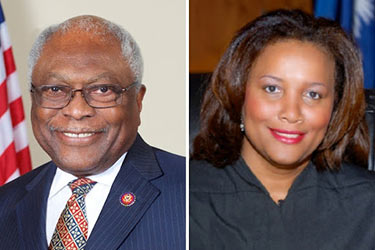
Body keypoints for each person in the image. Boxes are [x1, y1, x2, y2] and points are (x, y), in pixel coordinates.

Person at [190, 9, 375, 250]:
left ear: (335, 108)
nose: (291, 113)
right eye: (272, 89)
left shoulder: (367, 204)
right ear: (238, 93)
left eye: (313, 94)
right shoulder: (180, 198)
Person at [0, 15, 185, 250]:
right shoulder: (5, 203)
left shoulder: (190, 194)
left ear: (137, 101)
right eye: (55, 89)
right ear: (33, 100)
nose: (77, 111)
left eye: (102, 89)